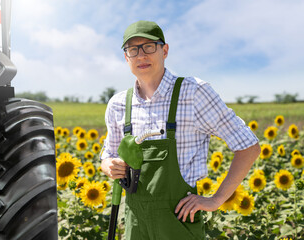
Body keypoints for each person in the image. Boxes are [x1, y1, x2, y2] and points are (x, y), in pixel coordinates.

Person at [100, 20, 261, 239]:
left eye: (149, 46)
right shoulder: (119, 104)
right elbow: (108, 155)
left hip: (179, 224)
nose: (141, 55)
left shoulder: (193, 92)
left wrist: (216, 200)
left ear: (164, 50)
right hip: (135, 224)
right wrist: (109, 165)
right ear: (126, 57)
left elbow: (248, 146)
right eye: (133, 49)